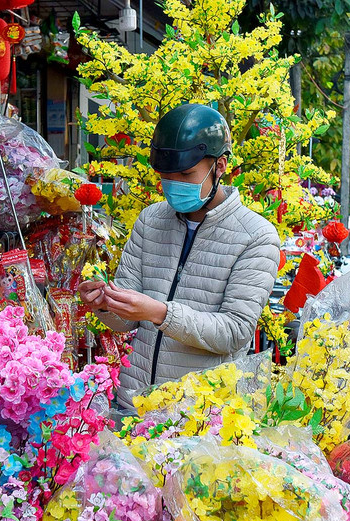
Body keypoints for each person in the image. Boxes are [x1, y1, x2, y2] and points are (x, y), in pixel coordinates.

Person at [77, 103, 281, 407]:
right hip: (136, 404)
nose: (175, 185)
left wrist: (159, 313)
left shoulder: (256, 236)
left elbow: (235, 333)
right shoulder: (150, 220)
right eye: (167, 176)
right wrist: (105, 304)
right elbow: (126, 321)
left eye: (187, 174)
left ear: (220, 166)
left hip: (200, 413)